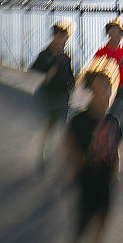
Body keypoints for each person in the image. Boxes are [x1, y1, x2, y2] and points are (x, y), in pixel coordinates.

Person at [65, 67, 123, 243]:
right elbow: (69, 143)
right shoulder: (80, 121)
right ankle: (77, 236)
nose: (105, 94)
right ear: (91, 92)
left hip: (105, 180)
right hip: (87, 178)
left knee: (103, 219)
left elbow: (116, 148)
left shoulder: (113, 122)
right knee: (86, 216)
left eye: (108, 88)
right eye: (100, 89)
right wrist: (72, 168)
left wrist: (116, 170)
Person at [29, 23, 75, 172]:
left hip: (63, 96)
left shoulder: (66, 57)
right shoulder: (45, 55)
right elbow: (33, 72)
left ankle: (60, 157)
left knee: (63, 127)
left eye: (64, 38)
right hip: (50, 96)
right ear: (54, 37)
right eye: (59, 36)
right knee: (52, 126)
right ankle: (44, 155)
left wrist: (74, 85)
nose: (61, 40)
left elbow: (70, 78)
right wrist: (45, 76)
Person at [94, 20, 123, 133]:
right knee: (107, 120)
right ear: (109, 34)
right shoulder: (101, 53)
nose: (118, 37)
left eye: (120, 33)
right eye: (114, 33)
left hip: (120, 89)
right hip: (106, 92)